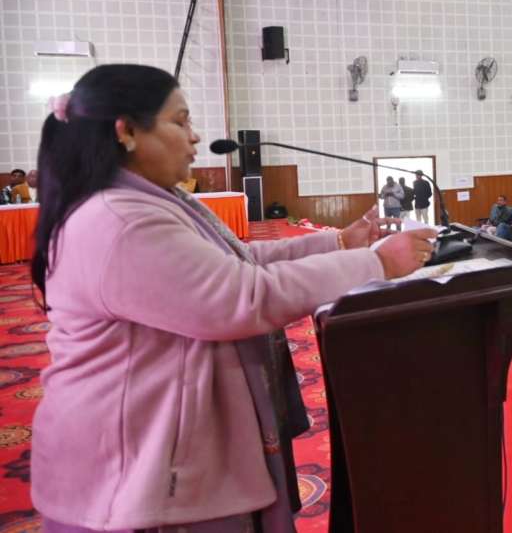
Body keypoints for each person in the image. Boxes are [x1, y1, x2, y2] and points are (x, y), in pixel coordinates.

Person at [29, 65, 437, 532]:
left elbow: (237, 261)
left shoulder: (147, 201)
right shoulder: (119, 221)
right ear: (127, 132)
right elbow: (241, 296)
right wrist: (377, 264)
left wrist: (341, 242)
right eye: (180, 121)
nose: (195, 136)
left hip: (160, 449)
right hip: (135, 472)